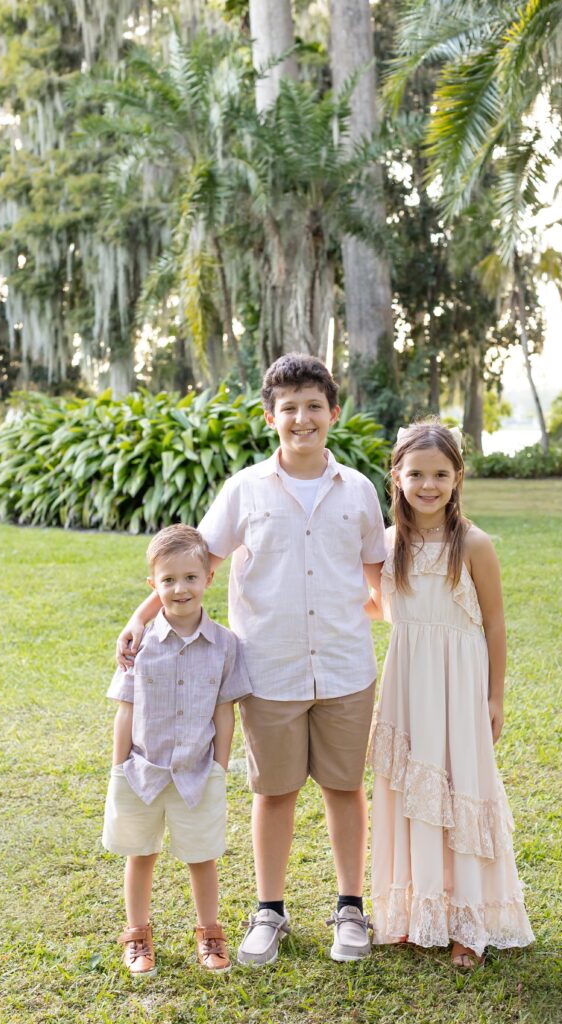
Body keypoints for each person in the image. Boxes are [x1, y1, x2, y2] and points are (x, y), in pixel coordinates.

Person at [116, 354, 387, 966]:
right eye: (288, 408)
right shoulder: (245, 491)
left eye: (313, 406)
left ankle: (350, 908)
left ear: (333, 413)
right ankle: (271, 912)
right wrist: (140, 618)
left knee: (345, 788)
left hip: (346, 668)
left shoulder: (361, 492)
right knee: (275, 791)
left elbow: (378, 585)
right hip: (269, 671)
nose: (301, 418)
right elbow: (194, 564)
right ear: (271, 417)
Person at [366, 421, 534, 968]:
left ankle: (469, 923)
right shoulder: (389, 545)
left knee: (462, 792)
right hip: (408, 683)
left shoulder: (475, 545)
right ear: (397, 476)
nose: (428, 484)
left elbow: (495, 622)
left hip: (460, 686)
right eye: (416, 473)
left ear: (458, 476)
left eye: (440, 473)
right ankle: (418, 913)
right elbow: (380, 606)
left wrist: (495, 697)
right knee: (411, 794)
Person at [103, 524, 252, 978]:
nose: (180, 588)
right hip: (142, 770)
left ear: (209, 578)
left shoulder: (226, 645)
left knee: (201, 856)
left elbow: (225, 713)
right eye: (168, 580)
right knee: (140, 853)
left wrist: (219, 769)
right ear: (153, 586)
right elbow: (125, 710)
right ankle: (137, 933)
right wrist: (118, 767)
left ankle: (209, 932)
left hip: (197, 771)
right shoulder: (139, 643)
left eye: (190, 577)